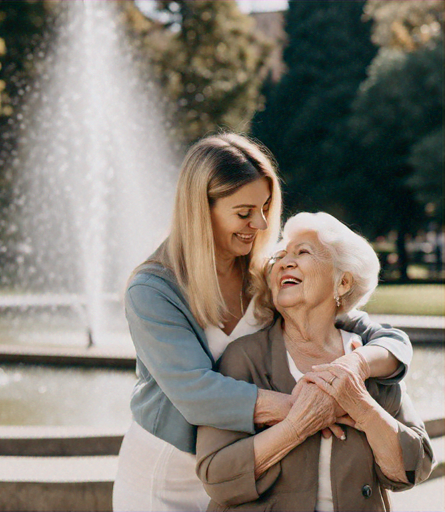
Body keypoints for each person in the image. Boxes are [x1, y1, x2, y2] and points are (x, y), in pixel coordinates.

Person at [113, 134, 413, 512]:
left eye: (266, 207)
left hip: (248, 469)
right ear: (200, 209)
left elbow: (380, 336)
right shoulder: (154, 290)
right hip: (164, 475)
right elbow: (195, 393)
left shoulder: (266, 275)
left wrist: (357, 364)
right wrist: (309, 410)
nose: (260, 223)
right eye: (244, 212)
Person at [196, 212, 434, 511]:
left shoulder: (369, 357)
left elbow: (415, 467)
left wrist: (362, 407)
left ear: (343, 282)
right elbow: (216, 478)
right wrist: (299, 425)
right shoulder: (244, 357)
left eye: (302, 252)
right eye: (280, 256)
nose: (285, 262)